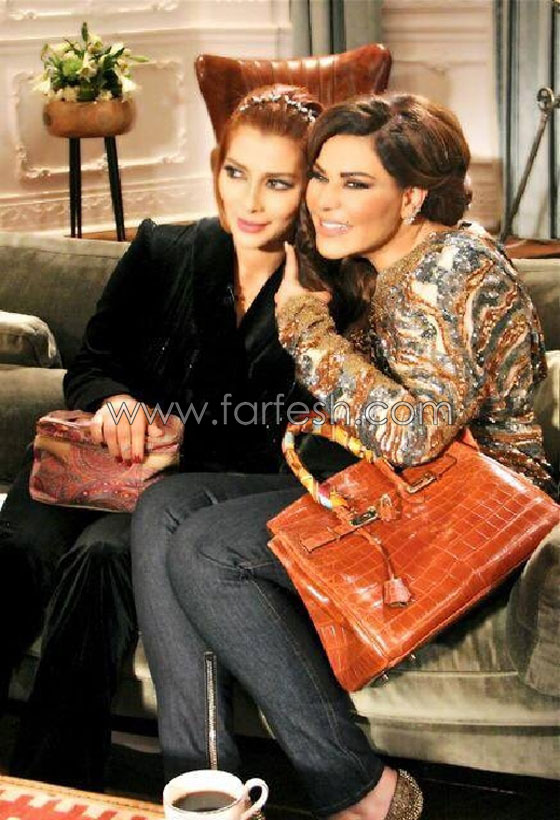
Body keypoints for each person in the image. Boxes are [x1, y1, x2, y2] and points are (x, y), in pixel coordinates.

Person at [132, 92, 554, 820]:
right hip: (400, 492)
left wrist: (305, 327)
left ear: (412, 196)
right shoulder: (382, 260)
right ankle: (209, 790)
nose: (325, 199)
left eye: (355, 183)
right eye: (322, 176)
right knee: (165, 504)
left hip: (473, 517)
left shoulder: (450, 268)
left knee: (207, 548)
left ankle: (361, 792)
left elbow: (416, 435)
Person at [0, 83, 323, 791]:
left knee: (99, 559)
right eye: (236, 172)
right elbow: (92, 361)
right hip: (88, 469)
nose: (250, 200)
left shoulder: (324, 295)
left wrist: (181, 446)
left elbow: (292, 444)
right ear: (216, 167)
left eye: (278, 182)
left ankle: (51, 788)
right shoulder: (163, 250)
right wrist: (113, 401)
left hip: (182, 497)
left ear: (309, 191)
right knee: (15, 547)